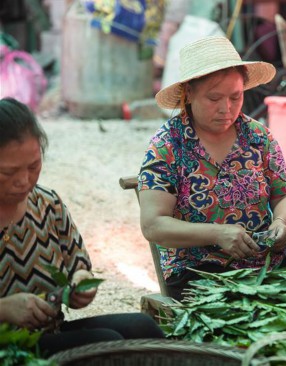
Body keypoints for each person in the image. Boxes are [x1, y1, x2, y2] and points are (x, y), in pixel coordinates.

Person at [138, 36, 286, 300]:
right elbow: (153, 225)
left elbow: (285, 194)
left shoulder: (258, 137)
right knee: (250, 310)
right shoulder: (168, 145)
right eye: (214, 98)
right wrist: (218, 234)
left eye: (235, 97)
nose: (226, 109)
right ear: (189, 93)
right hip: (198, 271)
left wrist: (282, 222)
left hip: (267, 263)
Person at [0, 97, 165, 356]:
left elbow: (78, 266)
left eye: (33, 166)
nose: (23, 180)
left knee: (142, 328)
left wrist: (81, 283)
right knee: (105, 344)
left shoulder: (47, 203)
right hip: (7, 348)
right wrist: (4, 309)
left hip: (49, 333)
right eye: (8, 172)